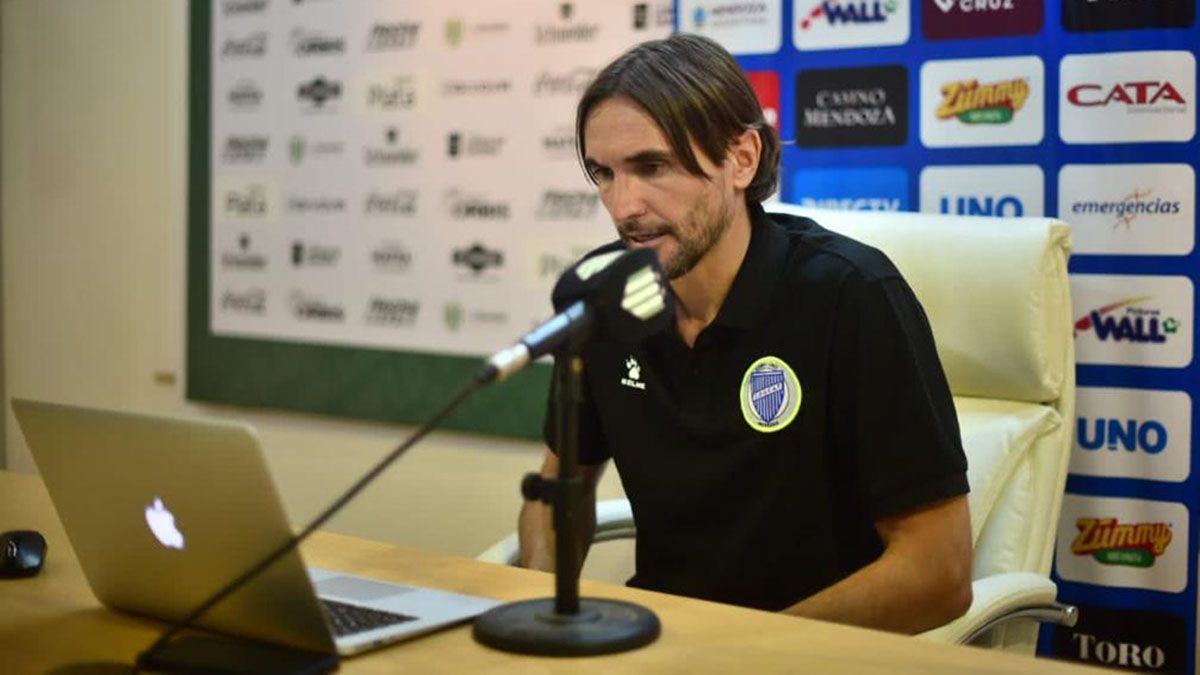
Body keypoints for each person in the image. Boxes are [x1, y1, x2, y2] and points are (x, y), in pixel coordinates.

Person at [517, 33, 972, 635]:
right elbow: (557, 492)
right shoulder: (604, 299)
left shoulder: (851, 295)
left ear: (742, 158)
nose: (623, 206)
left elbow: (939, 571)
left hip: (812, 653)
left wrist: (744, 653)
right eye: (604, 173)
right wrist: (546, 611)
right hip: (660, 646)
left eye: (651, 167)